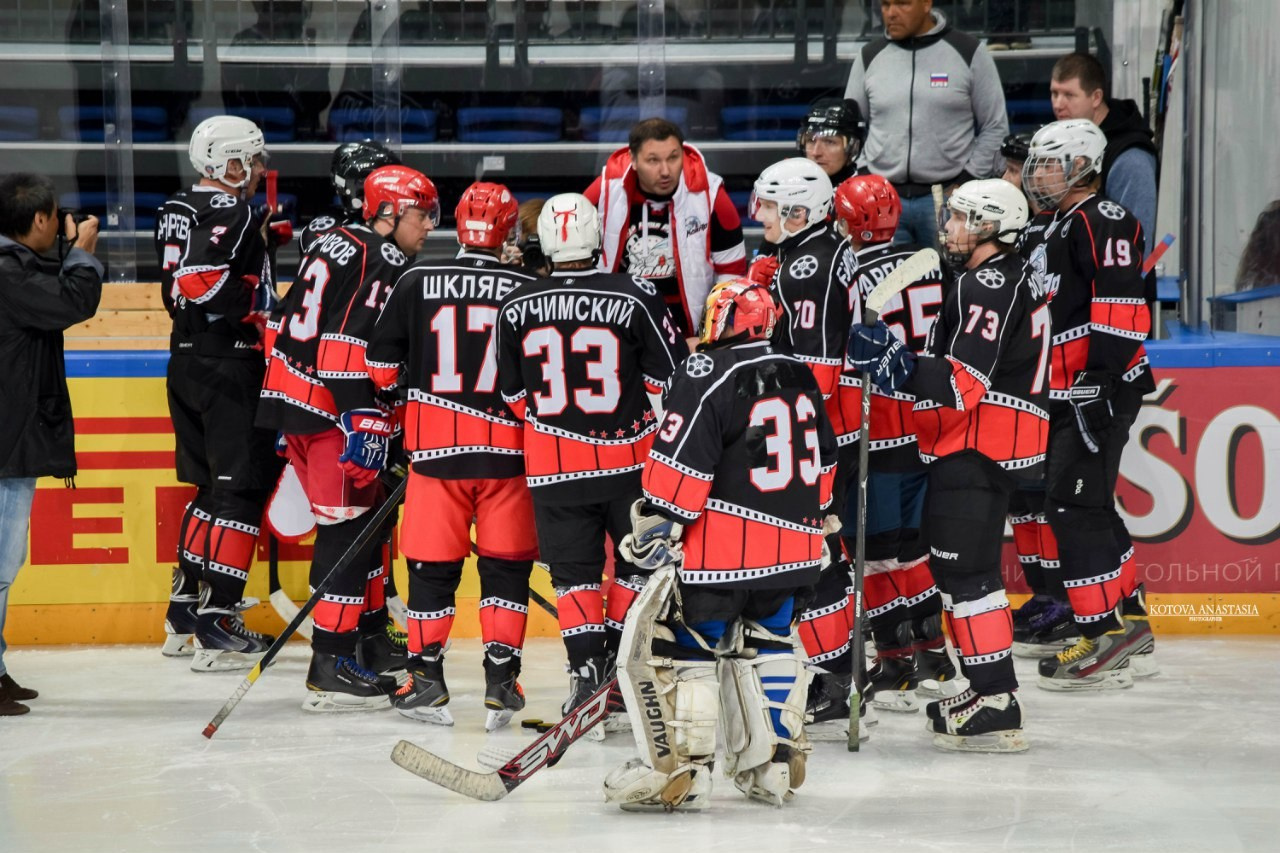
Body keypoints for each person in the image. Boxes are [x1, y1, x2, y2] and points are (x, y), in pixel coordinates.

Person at [603, 277, 837, 810]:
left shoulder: (706, 369)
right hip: (796, 548)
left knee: (683, 647)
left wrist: (658, 523)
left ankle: (687, 770)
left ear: (724, 321)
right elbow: (827, 466)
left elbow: (679, 471)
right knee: (772, 642)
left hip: (724, 553)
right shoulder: (799, 371)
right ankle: (775, 763)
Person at [849, 178, 1045, 752]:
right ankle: (984, 687)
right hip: (982, 445)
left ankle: (996, 699)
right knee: (962, 572)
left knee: (969, 576)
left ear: (991, 227)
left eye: (962, 219)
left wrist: (897, 363)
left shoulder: (987, 282)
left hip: (979, 446)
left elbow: (964, 384)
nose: (950, 228)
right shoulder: (1004, 276)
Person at [496, 193, 685, 724]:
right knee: (634, 566)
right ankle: (623, 669)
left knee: (573, 575)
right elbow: (668, 384)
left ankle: (585, 676)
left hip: (553, 464)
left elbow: (513, 398)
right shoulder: (636, 295)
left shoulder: (515, 307)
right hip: (630, 463)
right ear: (598, 236)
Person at [258, 164, 436, 711]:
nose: (429, 224)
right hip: (332, 410)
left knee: (360, 526)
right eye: (421, 213)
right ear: (388, 213)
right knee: (348, 533)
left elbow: (282, 321)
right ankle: (330, 665)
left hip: (296, 402)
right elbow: (342, 349)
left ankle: (356, 646)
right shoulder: (382, 257)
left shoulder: (332, 238)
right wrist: (364, 419)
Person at [366, 181, 541, 731]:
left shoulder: (417, 279)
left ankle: (425, 680)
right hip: (509, 456)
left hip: (436, 453)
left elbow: (381, 367)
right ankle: (500, 679)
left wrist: (408, 394)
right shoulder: (528, 288)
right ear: (508, 231)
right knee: (505, 572)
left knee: (432, 575)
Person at [1020, 119, 1158, 689]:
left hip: (1093, 386)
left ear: (1082, 165)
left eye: (1051, 163)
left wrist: (1100, 378)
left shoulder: (1104, 218)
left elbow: (1123, 305)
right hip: (1069, 387)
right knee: (1090, 504)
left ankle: (1104, 631)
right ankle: (1130, 619)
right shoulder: (1055, 224)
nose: (1039, 174)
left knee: (1073, 506)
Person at [154, 115, 285, 671]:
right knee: (238, 491)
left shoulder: (176, 206)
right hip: (227, 361)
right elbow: (199, 278)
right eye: (250, 160)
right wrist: (254, 294)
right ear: (227, 163)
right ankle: (218, 621)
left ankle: (185, 608)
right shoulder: (232, 208)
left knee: (210, 488)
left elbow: (180, 278)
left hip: (185, 358)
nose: (257, 170)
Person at [742, 159, 862, 729]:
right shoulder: (815, 252)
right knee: (820, 553)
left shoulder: (807, 265)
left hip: (815, 434)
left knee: (815, 555)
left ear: (797, 210)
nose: (759, 214)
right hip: (827, 430)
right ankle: (836, 671)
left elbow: (816, 374)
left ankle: (835, 676)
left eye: (769, 205)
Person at [830, 174, 955, 712]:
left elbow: (842, 351)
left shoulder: (850, 272)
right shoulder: (932, 262)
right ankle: (935, 656)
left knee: (876, 553)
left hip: (876, 427)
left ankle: (897, 661)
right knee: (913, 546)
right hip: (925, 421)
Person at [0, 174, 102, 716]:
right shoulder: (7, 273)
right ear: (39, 220)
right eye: (55, 216)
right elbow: (70, 302)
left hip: (11, 439)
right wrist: (83, 250)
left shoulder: (15, 268)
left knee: (2, 565)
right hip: (6, 445)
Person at [843, 0, 1009, 249]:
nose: (891, 13)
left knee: (947, 283)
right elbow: (850, 128)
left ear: (926, 4)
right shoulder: (869, 56)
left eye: (902, 4)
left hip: (949, 199)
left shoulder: (968, 51)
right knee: (884, 285)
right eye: (886, 5)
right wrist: (866, 174)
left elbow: (995, 126)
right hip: (882, 201)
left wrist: (967, 179)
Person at [585, 118, 746, 340]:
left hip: (690, 328)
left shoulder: (711, 195)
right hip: (621, 322)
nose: (665, 171)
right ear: (633, 159)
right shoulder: (604, 192)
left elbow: (732, 274)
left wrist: (708, 334)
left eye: (673, 158)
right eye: (653, 160)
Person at [1049, 53, 1159, 253]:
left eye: (1069, 95)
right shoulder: (1067, 144)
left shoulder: (1130, 159)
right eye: (1054, 93)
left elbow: (1136, 247)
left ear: (1096, 97)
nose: (1058, 104)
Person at [796, 98, 867, 185]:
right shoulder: (788, 188)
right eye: (811, 140)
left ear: (853, 148)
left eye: (829, 142)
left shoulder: (867, 196)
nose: (816, 152)